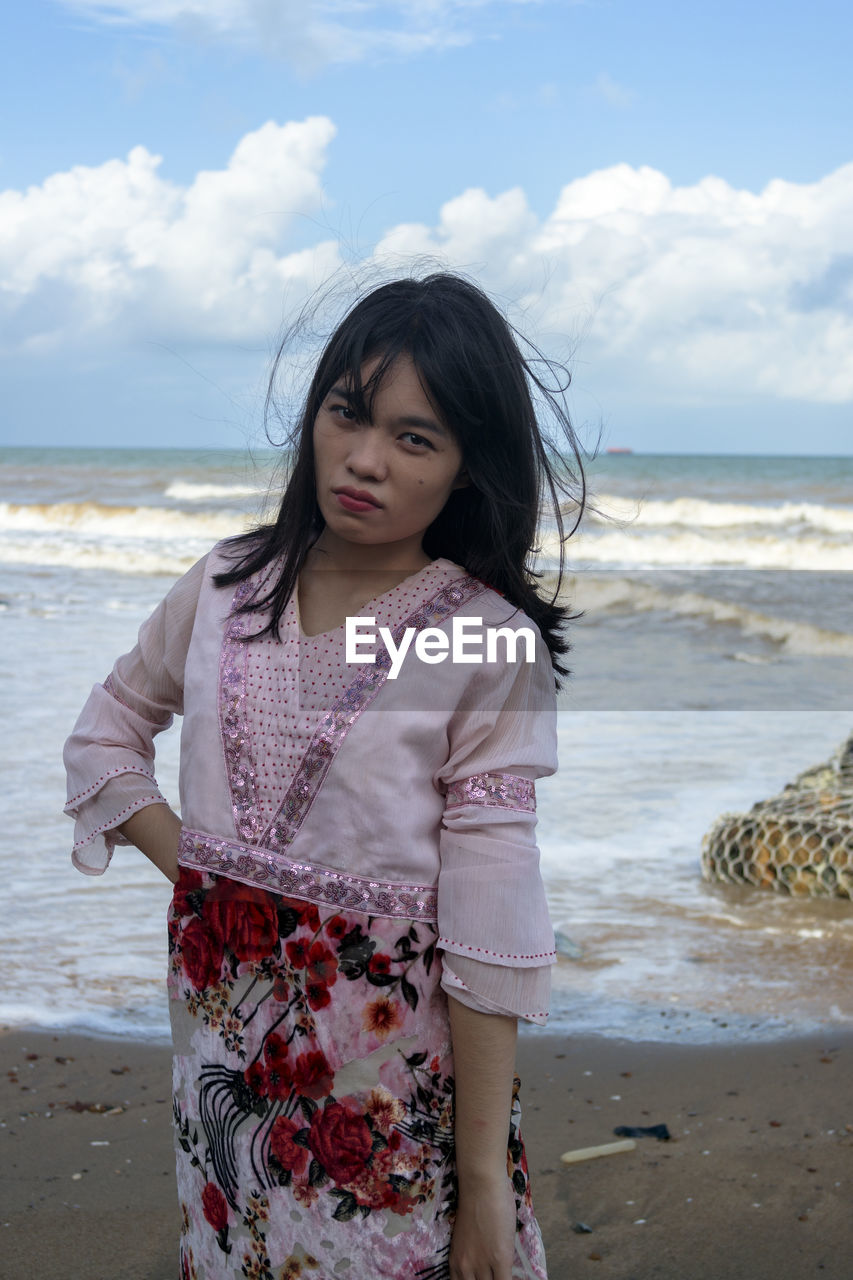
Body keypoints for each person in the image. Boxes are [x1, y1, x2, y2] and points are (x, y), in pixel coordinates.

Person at [63, 271, 584, 1280]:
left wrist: (480, 1182)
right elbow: (105, 733)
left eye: (414, 437)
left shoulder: (484, 643)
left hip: (385, 1107)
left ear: (468, 468)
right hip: (220, 1077)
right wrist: (203, 875)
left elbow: (488, 930)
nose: (363, 458)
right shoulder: (223, 587)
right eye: (348, 412)